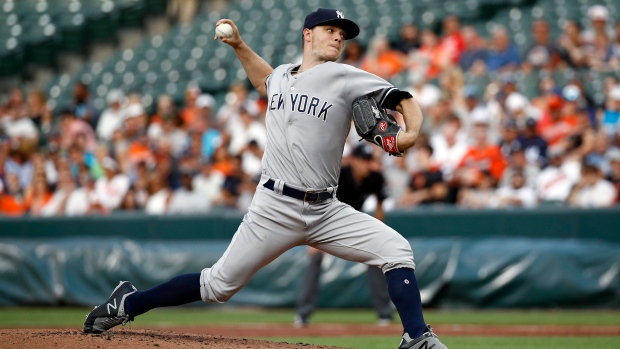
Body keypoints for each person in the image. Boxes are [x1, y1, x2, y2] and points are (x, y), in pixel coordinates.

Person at [83, 8, 449, 349]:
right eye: (330, 30)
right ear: (308, 35)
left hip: (326, 210)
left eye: (343, 34)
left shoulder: (345, 76)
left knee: (397, 249)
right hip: (274, 207)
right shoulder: (283, 77)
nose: (338, 38)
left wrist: (408, 136)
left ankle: (416, 337)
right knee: (218, 286)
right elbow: (265, 80)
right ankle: (126, 303)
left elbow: (404, 101)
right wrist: (240, 46)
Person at [295, 143, 394, 327]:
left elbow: (380, 207)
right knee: (314, 258)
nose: (367, 164)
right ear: (354, 161)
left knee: (376, 258)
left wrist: (379, 235)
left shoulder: (375, 177)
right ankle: (302, 314)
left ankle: (385, 313)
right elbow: (317, 205)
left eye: (369, 160)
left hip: (353, 224)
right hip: (328, 222)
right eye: (363, 161)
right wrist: (314, 237)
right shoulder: (338, 176)